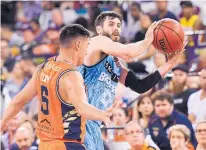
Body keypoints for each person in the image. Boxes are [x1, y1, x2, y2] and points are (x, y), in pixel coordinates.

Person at [78, 11, 187, 150]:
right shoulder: (97, 41)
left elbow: (140, 86)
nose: (116, 28)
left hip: (91, 124)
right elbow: (128, 53)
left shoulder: (114, 62)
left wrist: (170, 64)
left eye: (118, 25)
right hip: (75, 119)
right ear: (99, 29)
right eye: (110, 24)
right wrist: (148, 40)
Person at [1, 24, 112, 150]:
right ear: (78, 45)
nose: (87, 52)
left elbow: (19, 101)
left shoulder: (43, 68)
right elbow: (81, 107)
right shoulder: (71, 75)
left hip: (44, 144)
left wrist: (2, 122)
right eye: (87, 46)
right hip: (66, 144)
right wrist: (102, 114)